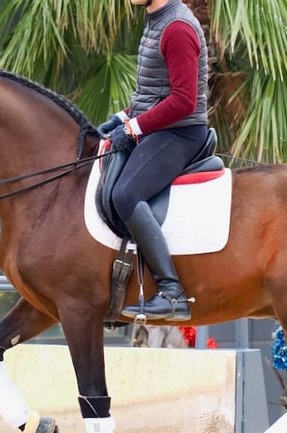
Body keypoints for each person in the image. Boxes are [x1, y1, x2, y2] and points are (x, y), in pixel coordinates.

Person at [97, 0, 208, 322]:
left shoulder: (177, 27)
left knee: (126, 194)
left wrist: (133, 128)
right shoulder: (156, 18)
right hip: (157, 129)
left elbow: (184, 101)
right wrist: (120, 118)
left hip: (182, 134)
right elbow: (151, 92)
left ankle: (172, 292)